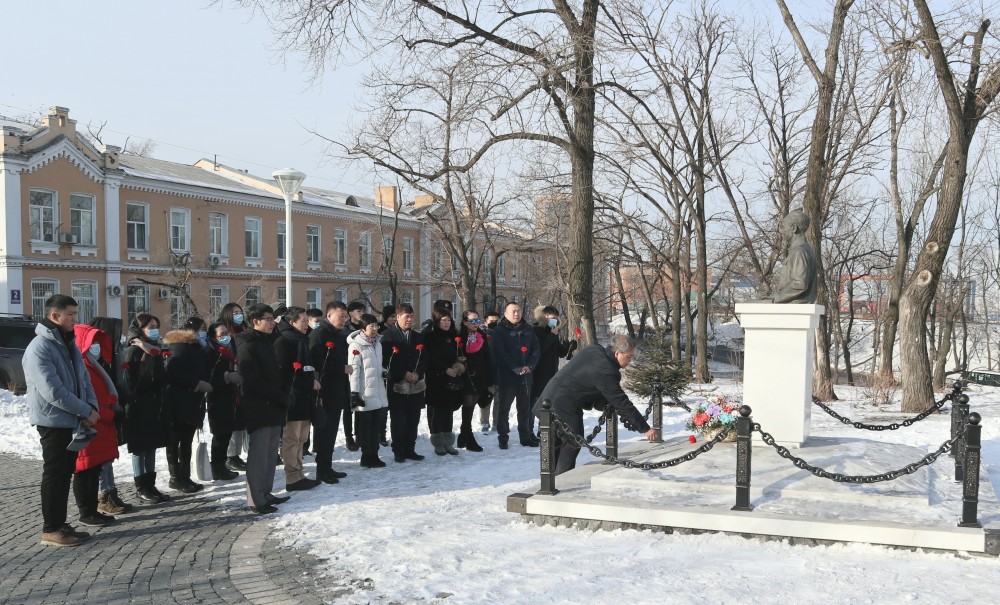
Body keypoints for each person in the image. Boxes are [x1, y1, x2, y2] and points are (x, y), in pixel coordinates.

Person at [24, 295, 99, 546]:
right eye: (71, 314)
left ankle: (61, 523)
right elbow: (52, 391)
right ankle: (51, 529)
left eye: (76, 314)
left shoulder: (68, 343)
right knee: (55, 475)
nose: (75, 319)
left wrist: (90, 406)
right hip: (53, 420)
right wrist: (84, 411)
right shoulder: (40, 347)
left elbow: (84, 378)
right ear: (55, 316)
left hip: (71, 418)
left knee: (65, 473)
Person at [532, 335, 657, 474]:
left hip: (550, 396)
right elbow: (621, 402)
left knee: (557, 442)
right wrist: (645, 428)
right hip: (563, 403)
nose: (630, 360)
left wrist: (605, 404)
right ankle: (560, 480)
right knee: (573, 441)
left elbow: (589, 382)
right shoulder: (606, 370)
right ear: (617, 353)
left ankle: (550, 481)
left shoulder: (594, 349)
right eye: (629, 356)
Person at [236, 304, 292, 514]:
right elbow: (251, 381)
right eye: (268, 319)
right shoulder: (247, 344)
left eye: (272, 318)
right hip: (259, 406)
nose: (272, 322)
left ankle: (265, 492)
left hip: (274, 405)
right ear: (255, 321)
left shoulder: (268, 342)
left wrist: (285, 392)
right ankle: (255, 499)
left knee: (270, 454)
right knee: (259, 455)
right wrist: (278, 395)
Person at [72, 324, 122, 526]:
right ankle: (87, 511)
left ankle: (94, 509)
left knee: (94, 469)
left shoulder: (93, 363)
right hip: (92, 422)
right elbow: (88, 397)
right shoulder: (82, 365)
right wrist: (108, 413)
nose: (96, 347)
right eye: (92, 342)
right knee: (86, 470)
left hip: (101, 424)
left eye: (98, 343)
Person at [121, 314, 172, 504]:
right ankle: (141, 486)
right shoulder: (134, 350)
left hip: (155, 403)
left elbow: (162, 376)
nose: (154, 328)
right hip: (139, 405)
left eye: (156, 325)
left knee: (152, 446)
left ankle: (151, 485)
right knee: (140, 448)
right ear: (140, 329)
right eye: (150, 326)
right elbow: (129, 381)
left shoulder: (155, 349)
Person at [163, 317, 213, 494]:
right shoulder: (181, 347)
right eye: (201, 329)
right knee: (176, 440)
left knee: (186, 441)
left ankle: (185, 476)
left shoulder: (196, 348)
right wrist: (196, 384)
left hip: (193, 402)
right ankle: (176, 477)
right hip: (180, 401)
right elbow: (173, 373)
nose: (203, 333)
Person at [274, 306, 321, 491]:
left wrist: (312, 380)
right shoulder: (283, 342)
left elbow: (308, 367)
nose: (306, 324)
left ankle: (299, 473)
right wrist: (307, 382)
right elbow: (285, 373)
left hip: (306, 397)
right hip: (293, 398)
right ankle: (292, 477)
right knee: (291, 439)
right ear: (292, 322)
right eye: (303, 321)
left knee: (302, 439)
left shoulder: (303, 339)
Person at [308, 301, 353, 484]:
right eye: (340, 316)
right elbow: (318, 362)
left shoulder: (339, 334)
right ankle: (322, 470)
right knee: (325, 431)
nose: (343, 320)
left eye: (345, 316)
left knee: (332, 429)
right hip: (325, 390)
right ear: (329, 316)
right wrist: (341, 368)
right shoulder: (319, 334)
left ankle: (327, 466)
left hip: (338, 389)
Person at [381, 302, 428, 463]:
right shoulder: (388, 336)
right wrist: (403, 373)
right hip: (397, 384)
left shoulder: (417, 336)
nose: (410, 319)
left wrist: (418, 373)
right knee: (398, 418)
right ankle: (398, 449)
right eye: (407, 316)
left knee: (413, 418)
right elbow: (386, 360)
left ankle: (410, 448)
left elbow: (424, 358)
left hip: (416, 384)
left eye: (412, 316)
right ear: (398, 316)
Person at [491, 302, 540, 449]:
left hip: (526, 376)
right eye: (513, 311)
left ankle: (525, 437)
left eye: (518, 311)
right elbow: (500, 353)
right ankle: (503, 437)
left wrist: (529, 366)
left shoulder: (528, 329)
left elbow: (536, 350)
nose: (516, 314)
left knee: (524, 409)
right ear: (505, 314)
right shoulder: (500, 330)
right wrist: (515, 368)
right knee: (504, 409)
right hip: (507, 376)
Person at [346, 314, 389, 467]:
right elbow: (354, 371)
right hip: (364, 392)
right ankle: (366, 456)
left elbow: (377, 365)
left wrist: (384, 371)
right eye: (371, 326)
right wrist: (354, 392)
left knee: (375, 425)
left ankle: (374, 454)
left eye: (376, 325)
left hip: (377, 390)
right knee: (365, 426)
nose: (375, 328)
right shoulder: (356, 345)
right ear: (363, 328)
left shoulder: (377, 343)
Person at [530, 305, 576, 434]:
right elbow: (540, 349)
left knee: (548, 402)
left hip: (551, 373)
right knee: (535, 402)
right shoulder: (536, 331)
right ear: (544, 317)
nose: (554, 322)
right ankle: (528, 430)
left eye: (556, 319)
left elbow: (561, 352)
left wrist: (569, 346)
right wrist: (551, 335)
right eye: (552, 319)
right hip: (538, 373)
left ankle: (543, 428)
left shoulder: (553, 332)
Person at [423, 312, 464, 455]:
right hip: (436, 378)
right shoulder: (430, 336)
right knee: (437, 411)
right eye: (443, 320)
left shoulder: (454, 336)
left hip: (451, 378)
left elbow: (455, 354)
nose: (447, 323)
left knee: (448, 410)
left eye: (449, 320)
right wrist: (444, 369)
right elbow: (430, 357)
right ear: (437, 321)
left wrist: (459, 360)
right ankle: (438, 442)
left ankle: (448, 441)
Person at [205, 322, 241, 480]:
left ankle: (222, 465)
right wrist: (226, 377)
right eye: (221, 334)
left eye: (227, 333)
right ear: (214, 337)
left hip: (230, 395)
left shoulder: (228, 351)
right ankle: (217, 467)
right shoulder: (210, 352)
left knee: (227, 432)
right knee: (220, 433)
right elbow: (209, 376)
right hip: (217, 397)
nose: (226, 336)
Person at [219, 302, 249, 473]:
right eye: (235, 312)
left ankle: (236, 454)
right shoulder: (224, 332)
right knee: (232, 419)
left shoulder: (243, 330)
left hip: (243, 379)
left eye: (240, 311)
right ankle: (230, 456)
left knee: (240, 420)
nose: (239, 315)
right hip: (230, 380)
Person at [456, 310, 490, 452]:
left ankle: (463, 435)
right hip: (466, 376)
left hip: (480, 376)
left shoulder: (481, 335)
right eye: (472, 321)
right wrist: (458, 359)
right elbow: (454, 354)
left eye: (477, 320)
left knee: (474, 404)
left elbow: (487, 356)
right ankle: (468, 437)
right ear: (465, 322)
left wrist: (489, 377)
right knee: (468, 405)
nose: (476, 324)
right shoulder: (460, 336)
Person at [479, 310, 501, 433]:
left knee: (498, 401)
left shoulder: (501, 333)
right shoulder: (481, 333)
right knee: (486, 398)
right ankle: (484, 422)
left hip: (499, 371)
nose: (494, 323)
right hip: (487, 372)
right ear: (486, 321)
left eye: (496, 321)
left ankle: (496, 423)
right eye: (492, 321)